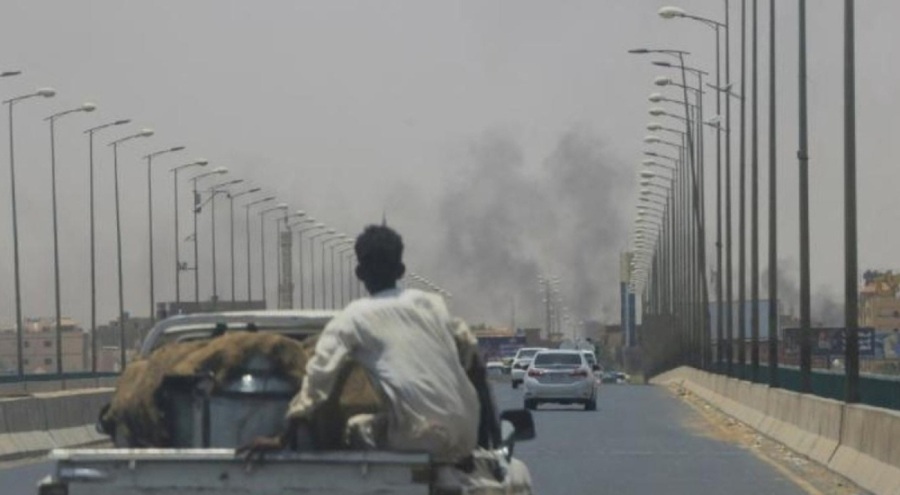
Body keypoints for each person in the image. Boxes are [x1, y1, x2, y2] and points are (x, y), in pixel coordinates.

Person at [241, 224, 481, 464]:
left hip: (417, 436)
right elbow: (471, 349)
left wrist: (282, 438)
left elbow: (318, 378)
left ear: (359, 273)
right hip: (468, 433)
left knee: (356, 428)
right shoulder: (432, 304)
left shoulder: (353, 317)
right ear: (401, 271)